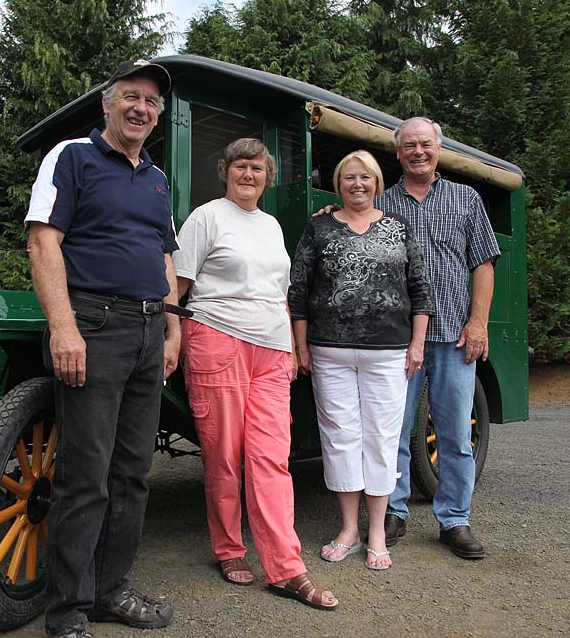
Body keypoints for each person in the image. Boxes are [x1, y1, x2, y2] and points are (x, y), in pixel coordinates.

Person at [26, 59, 183, 638]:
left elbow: (164, 257)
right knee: (85, 476)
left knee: (132, 475)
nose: (141, 108)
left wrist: (173, 328)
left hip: (147, 331)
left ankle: (110, 590)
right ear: (108, 104)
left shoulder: (159, 179)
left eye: (151, 102)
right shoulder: (72, 157)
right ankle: (67, 611)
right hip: (94, 325)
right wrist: (63, 328)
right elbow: (44, 242)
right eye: (131, 97)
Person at [318, 118, 500, 560]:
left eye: (426, 144)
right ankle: (394, 513)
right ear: (397, 154)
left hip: (455, 336)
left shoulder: (465, 198)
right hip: (399, 340)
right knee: (392, 432)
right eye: (409, 146)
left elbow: (484, 264)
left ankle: (455, 520)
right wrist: (327, 213)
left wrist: (479, 323)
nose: (418, 151)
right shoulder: (384, 202)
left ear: (439, 149)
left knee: (456, 434)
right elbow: (349, 219)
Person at [173, 138, 338, 609]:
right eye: (241, 167)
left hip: (270, 349)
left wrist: (288, 347)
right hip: (216, 339)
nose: (249, 174)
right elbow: (179, 285)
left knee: (271, 458)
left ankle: (285, 568)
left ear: (267, 176)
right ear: (225, 171)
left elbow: (278, 293)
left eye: (258, 168)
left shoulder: (270, 226)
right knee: (224, 457)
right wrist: (171, 334)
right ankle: (228, 548)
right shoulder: (206, 217)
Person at [288, 150, 434, 570]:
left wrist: (418, 344)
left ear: (376, 183)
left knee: (382, 439)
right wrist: (301, 346)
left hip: (388, 351)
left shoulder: (399, 228)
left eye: (365, 177)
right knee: (340, 438)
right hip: (328, 350)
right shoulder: (319, 227)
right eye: (349, 177)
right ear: (339, 184)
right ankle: (349, 529)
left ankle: (376, 532)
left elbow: (420, 290)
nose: (357, 184)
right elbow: (298, 291)